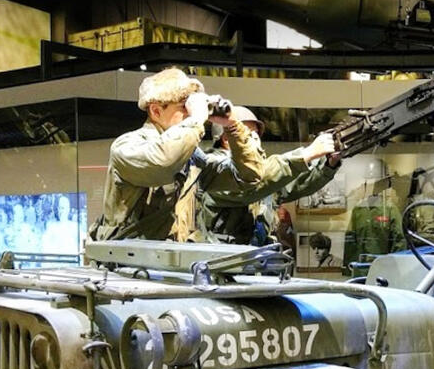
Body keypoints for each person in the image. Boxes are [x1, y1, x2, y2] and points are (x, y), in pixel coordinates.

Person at [90, 67, 264, 242]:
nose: (190, 112)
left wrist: (233, 126)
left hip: (173, 261)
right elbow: (163, 162)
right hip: (130, 262)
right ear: (156, 111)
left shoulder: (192, 157)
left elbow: (248, 176)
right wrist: (196, 119)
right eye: (184, 106)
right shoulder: (127, 146)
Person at [199, 106, 340, 245]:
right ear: (226, 139)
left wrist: (328, 165)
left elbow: (294, 185)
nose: (256, 138)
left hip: (254, 259)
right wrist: (306, 154)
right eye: (248, 133)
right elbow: (250, 185)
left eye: (256, 133)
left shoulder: (262, 172)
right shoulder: (214, 170)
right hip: (222, 262)